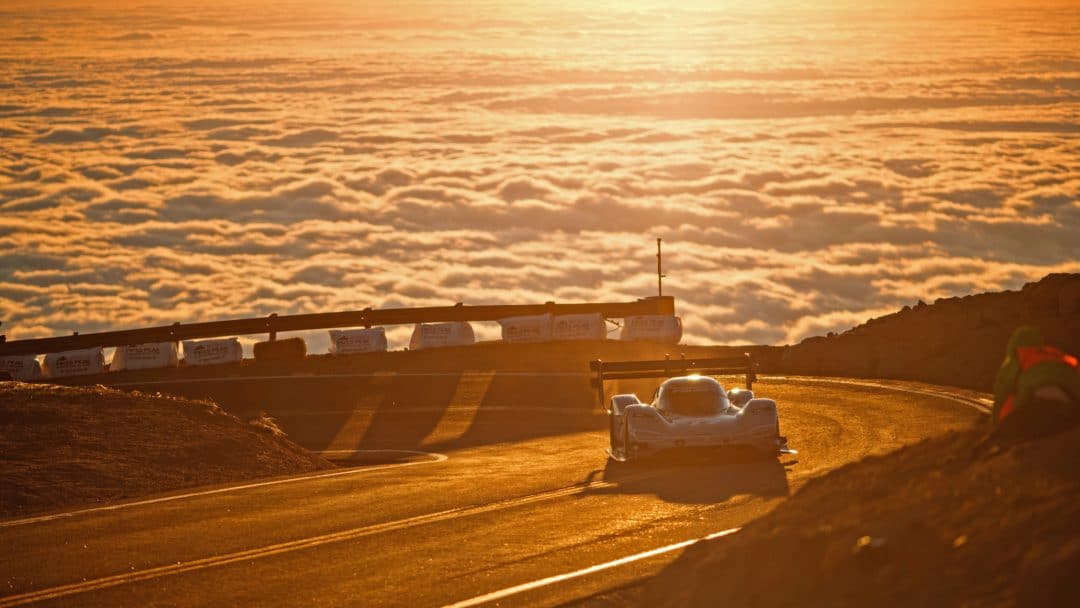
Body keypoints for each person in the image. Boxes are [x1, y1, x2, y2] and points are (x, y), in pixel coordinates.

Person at [991, 326, 1079, 427]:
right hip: (1069, 400)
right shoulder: (1056, 354)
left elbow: (1002, 392)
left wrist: (996, 427)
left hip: (1037, 402)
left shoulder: (1015, 359)